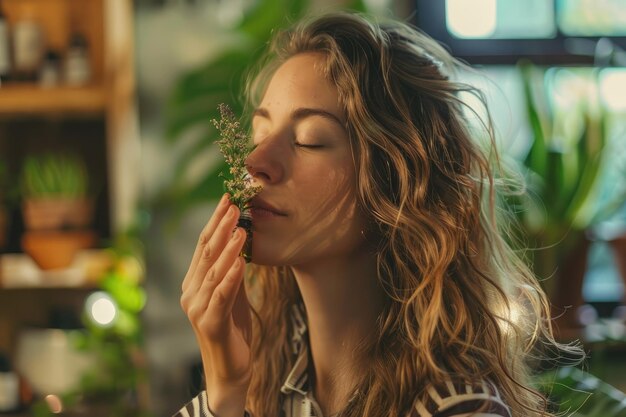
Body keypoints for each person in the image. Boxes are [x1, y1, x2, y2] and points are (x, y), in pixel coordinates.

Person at [175, 12, 580, 417]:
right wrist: (224, 393)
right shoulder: (269, 383)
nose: (256, 160)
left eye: (309, 140)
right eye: (260, 135)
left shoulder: (458, 408)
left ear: (397, 182)